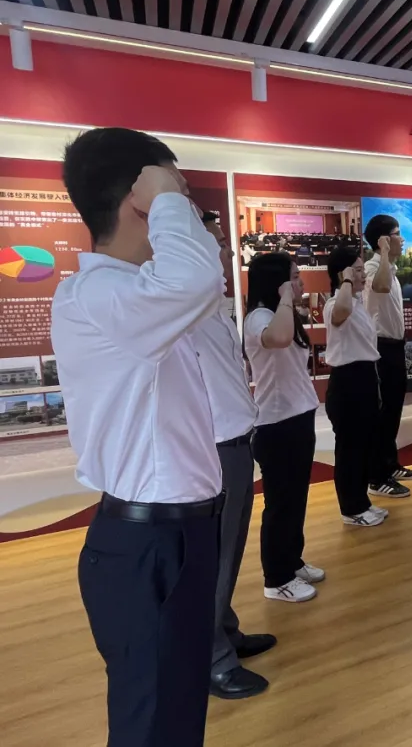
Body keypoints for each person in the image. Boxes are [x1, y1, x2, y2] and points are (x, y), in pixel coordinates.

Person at [52, 128, 224, 744]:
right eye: (177, 191)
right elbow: (197, 282)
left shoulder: (130, 294)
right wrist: (166, 194)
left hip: (173, 536)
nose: (187, 205)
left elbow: (196, 287)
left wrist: (165, 196)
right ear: (141, 198)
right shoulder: (98, 292)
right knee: (152, 723)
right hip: (150, 542)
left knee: (175, 712)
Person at [192, 213, 276, 701]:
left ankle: (225, 631)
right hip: (215, 448)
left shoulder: (215, 309)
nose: (226, 252)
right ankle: (212, 659)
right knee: (216, 558)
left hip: (237, 441)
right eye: (217, 242)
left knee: (230, 552)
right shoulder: (185, 312)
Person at [244, 252, 324, 603]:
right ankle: (276, 578)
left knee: (296, 498)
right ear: (276, 282)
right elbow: (277, 338)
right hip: (276, 423)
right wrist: (287, 298)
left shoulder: (281, 314)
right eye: (293, 277)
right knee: (280, 503)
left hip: (298, 416)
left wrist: (288, 301)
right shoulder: (259, 318)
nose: (300, 283)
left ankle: (292, 561)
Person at [324, 245, 392, 525]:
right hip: (347, 382)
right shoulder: (334, 304)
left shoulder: (358, 304)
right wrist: (347, 280)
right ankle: (351, 508)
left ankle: (361, 501)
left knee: (364, 446)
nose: (363, 275)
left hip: (365, 377)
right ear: (343, 274)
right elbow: (341, 310)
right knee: (349, 449)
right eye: (358, 270)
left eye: (362, 270)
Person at [363, 214, 412, 495]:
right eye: (397, 233)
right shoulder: (373, 267)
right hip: (380, 348)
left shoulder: (391, 269)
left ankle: (389, 463)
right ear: (383, 240)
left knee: (394, 408)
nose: (402, 239)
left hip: (395, 346)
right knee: (383, 412)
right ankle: (376, 477)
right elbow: (381, 287)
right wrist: (384, 253)